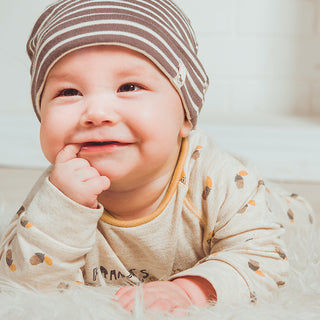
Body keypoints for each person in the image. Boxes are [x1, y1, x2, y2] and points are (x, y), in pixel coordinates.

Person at [0, 0, 314, 314]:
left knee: (274, 217)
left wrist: (190, 291)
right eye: (69, 92)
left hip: (273, 211)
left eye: (129, 86)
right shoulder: (59, 191)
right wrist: (63, 210)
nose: (96, 113)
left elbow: (264, 260)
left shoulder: (218, 178)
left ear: (185, 118)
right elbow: (22, 285)